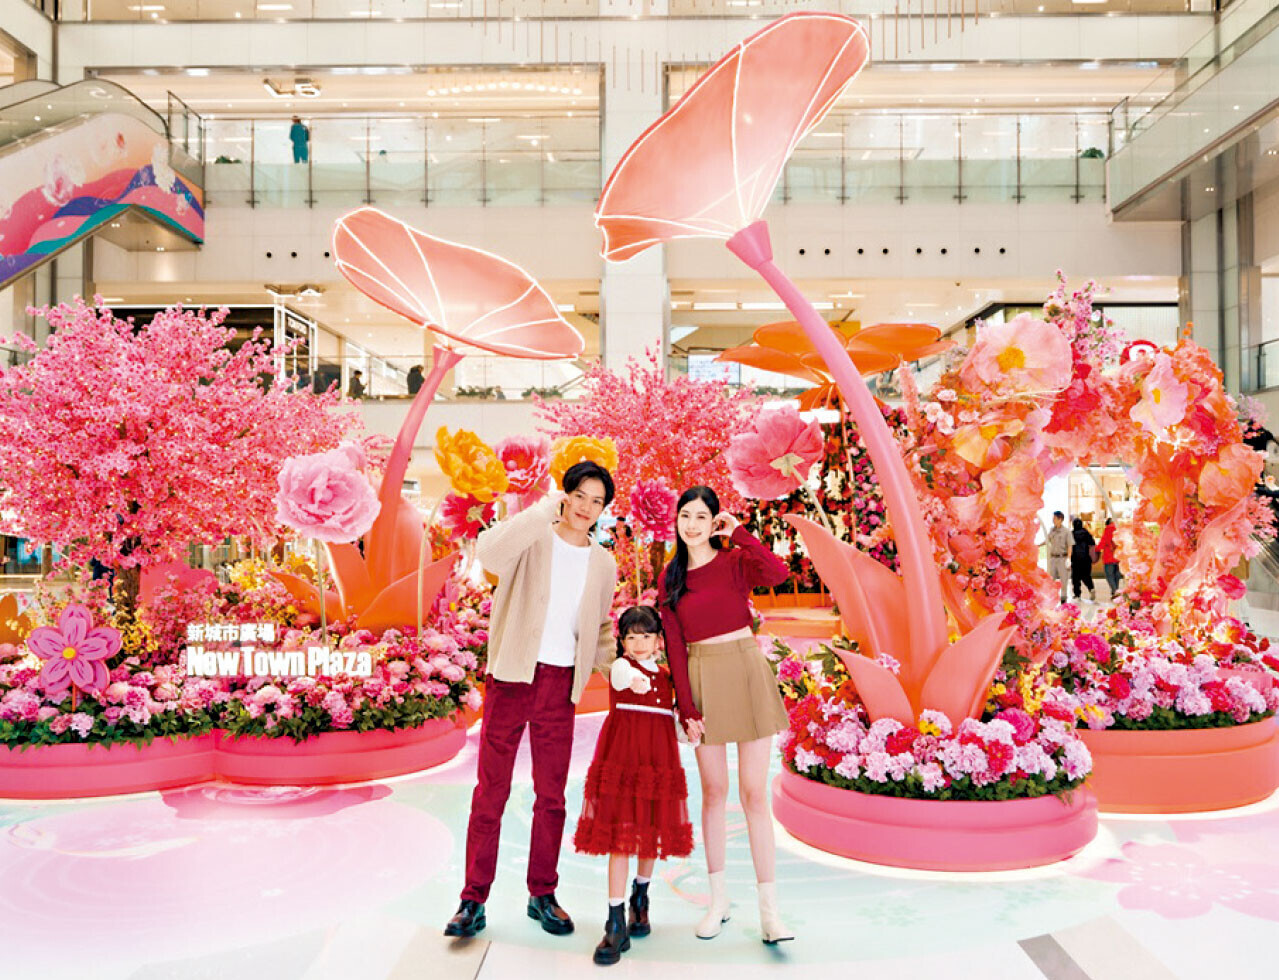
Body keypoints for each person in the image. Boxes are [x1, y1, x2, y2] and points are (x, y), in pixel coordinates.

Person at [445, 462, 619, 941]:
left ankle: (542, 892)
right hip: (512, 677)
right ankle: (472, 899)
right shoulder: (533, 538)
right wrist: (542, 510)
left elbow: (601, 626)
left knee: (552, 797)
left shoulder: (603, 563)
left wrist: (618, 669)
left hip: (561, 687)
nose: (586, 508)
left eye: (597, 501)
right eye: (579, 496)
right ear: (565, 495)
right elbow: (489, 552)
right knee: (490, 792)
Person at [659, 486, 793, 945]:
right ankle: (718, 903)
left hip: (746, 669)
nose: (692, 524)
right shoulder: (671, 577)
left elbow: (778, 573)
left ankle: (770, 913)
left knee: (754, 793)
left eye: (702, 516)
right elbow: (674, 645)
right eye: (685, 515)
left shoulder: (735, 561)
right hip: (702, 678)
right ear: (676, 520)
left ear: (714, 521)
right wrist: (686, 705)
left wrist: (740, 534)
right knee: (714, 792)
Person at [573, 605, 693, 966]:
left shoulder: (668, 678)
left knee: (650, 831)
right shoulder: (622, 668)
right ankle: (614, 920)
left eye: (646, 636)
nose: (639, 643)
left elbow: (673, 723)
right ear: (622, 642)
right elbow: (623, 679)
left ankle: (641, 898)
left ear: (658, 640)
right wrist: (634, 679)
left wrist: (689, 727)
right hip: (624, 759)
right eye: (631, 636)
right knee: (620, 838)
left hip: (657, 760)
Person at [1071, 517, 1097, 603]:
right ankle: (1091, 588)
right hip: (1086, 558)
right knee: (1086, 575)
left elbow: (1068, 545)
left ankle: (1077, 594)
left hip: (1075, 558)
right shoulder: (1086, 533)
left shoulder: (1072, 534)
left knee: (1075, 577)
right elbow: (1092, 543)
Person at [1047, 511, 1070, 603]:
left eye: (1055, 518)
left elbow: (1070, 546)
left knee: (1063, 579)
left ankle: (1063, 598)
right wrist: (1038, 545)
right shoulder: (1052, 530)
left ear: (1060, 519)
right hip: (1053, 558)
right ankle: (1051, 598)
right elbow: (1047, 540)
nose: (1053, 520)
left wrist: (1069, 559)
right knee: (1051, 579)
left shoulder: (1066, 532)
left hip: (1062, 558)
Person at [1098, 518, 1121, 598]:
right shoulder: (1119, 530)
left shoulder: (1107, 530)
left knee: (1109, 576)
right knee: (1116, 575)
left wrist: (1096, 549)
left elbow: (1102, 543)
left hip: (1108, 558)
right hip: (1117, 557)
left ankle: (1115, 591)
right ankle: (1116, 591)